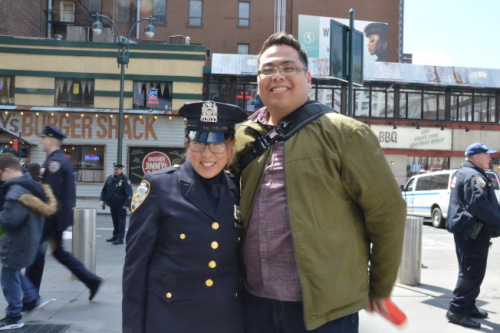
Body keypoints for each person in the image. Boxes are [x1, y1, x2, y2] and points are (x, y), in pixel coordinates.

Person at [234, 32, 406, 332]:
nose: (278, 76)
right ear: (258, 79)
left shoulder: (345, 133)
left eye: (288, 68)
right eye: (268, 69)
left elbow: (387, 213)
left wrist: (380, 285)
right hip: (253, 304)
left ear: (308, 77)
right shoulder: (242, 137)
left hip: (325, 313)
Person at [122, 101, 248, 333]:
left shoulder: (238, 189)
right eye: (198, 143)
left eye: (218, 144)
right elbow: (135, 268)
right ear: (188, 143)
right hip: (171, 320)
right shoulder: (158, 186)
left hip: (226, 320)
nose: (207, 154)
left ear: (230, 146)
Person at [25, 125, 103, 303]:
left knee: (35, 255)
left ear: (52, 140)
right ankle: (92, 281)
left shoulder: (55, 163)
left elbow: (51, 194)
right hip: (56, 217)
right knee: (58, 253)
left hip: (51, 218)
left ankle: (30, 297)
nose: (41, 141)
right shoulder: (57, 160)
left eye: (43, 138)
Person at [445, 143, 500, 329]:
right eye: (487, 155)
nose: (490, 159)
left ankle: (468, 305)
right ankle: (457, 310)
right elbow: (479, 205)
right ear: (476, 157)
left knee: (474, 271)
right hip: (472, 233)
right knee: (471, 272)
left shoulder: (468, 173)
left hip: (472, 232)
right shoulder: (473, 176)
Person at [0, 154, 57, 330]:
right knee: (13, 273)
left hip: (16, 241)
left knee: (8, 277)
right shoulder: (31, 185)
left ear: (8, 170)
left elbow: (9, 220)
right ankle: (31, 298)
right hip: (28, 239)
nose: (1, 176)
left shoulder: (16, 191)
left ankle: (14, 316)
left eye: (1, 172)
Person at [99, 162, 132, 245]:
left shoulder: (125, 180)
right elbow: (104, 190)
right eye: (115, 169)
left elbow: (129, 194)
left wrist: (126, 204)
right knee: (115, 221)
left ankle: (120, 238)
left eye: (117, 169)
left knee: (121, 221)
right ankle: (115, 235)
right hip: (112, 204)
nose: (115, 170)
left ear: (121, 169)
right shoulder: (110, 178)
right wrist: (102, 199)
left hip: (121, 205)